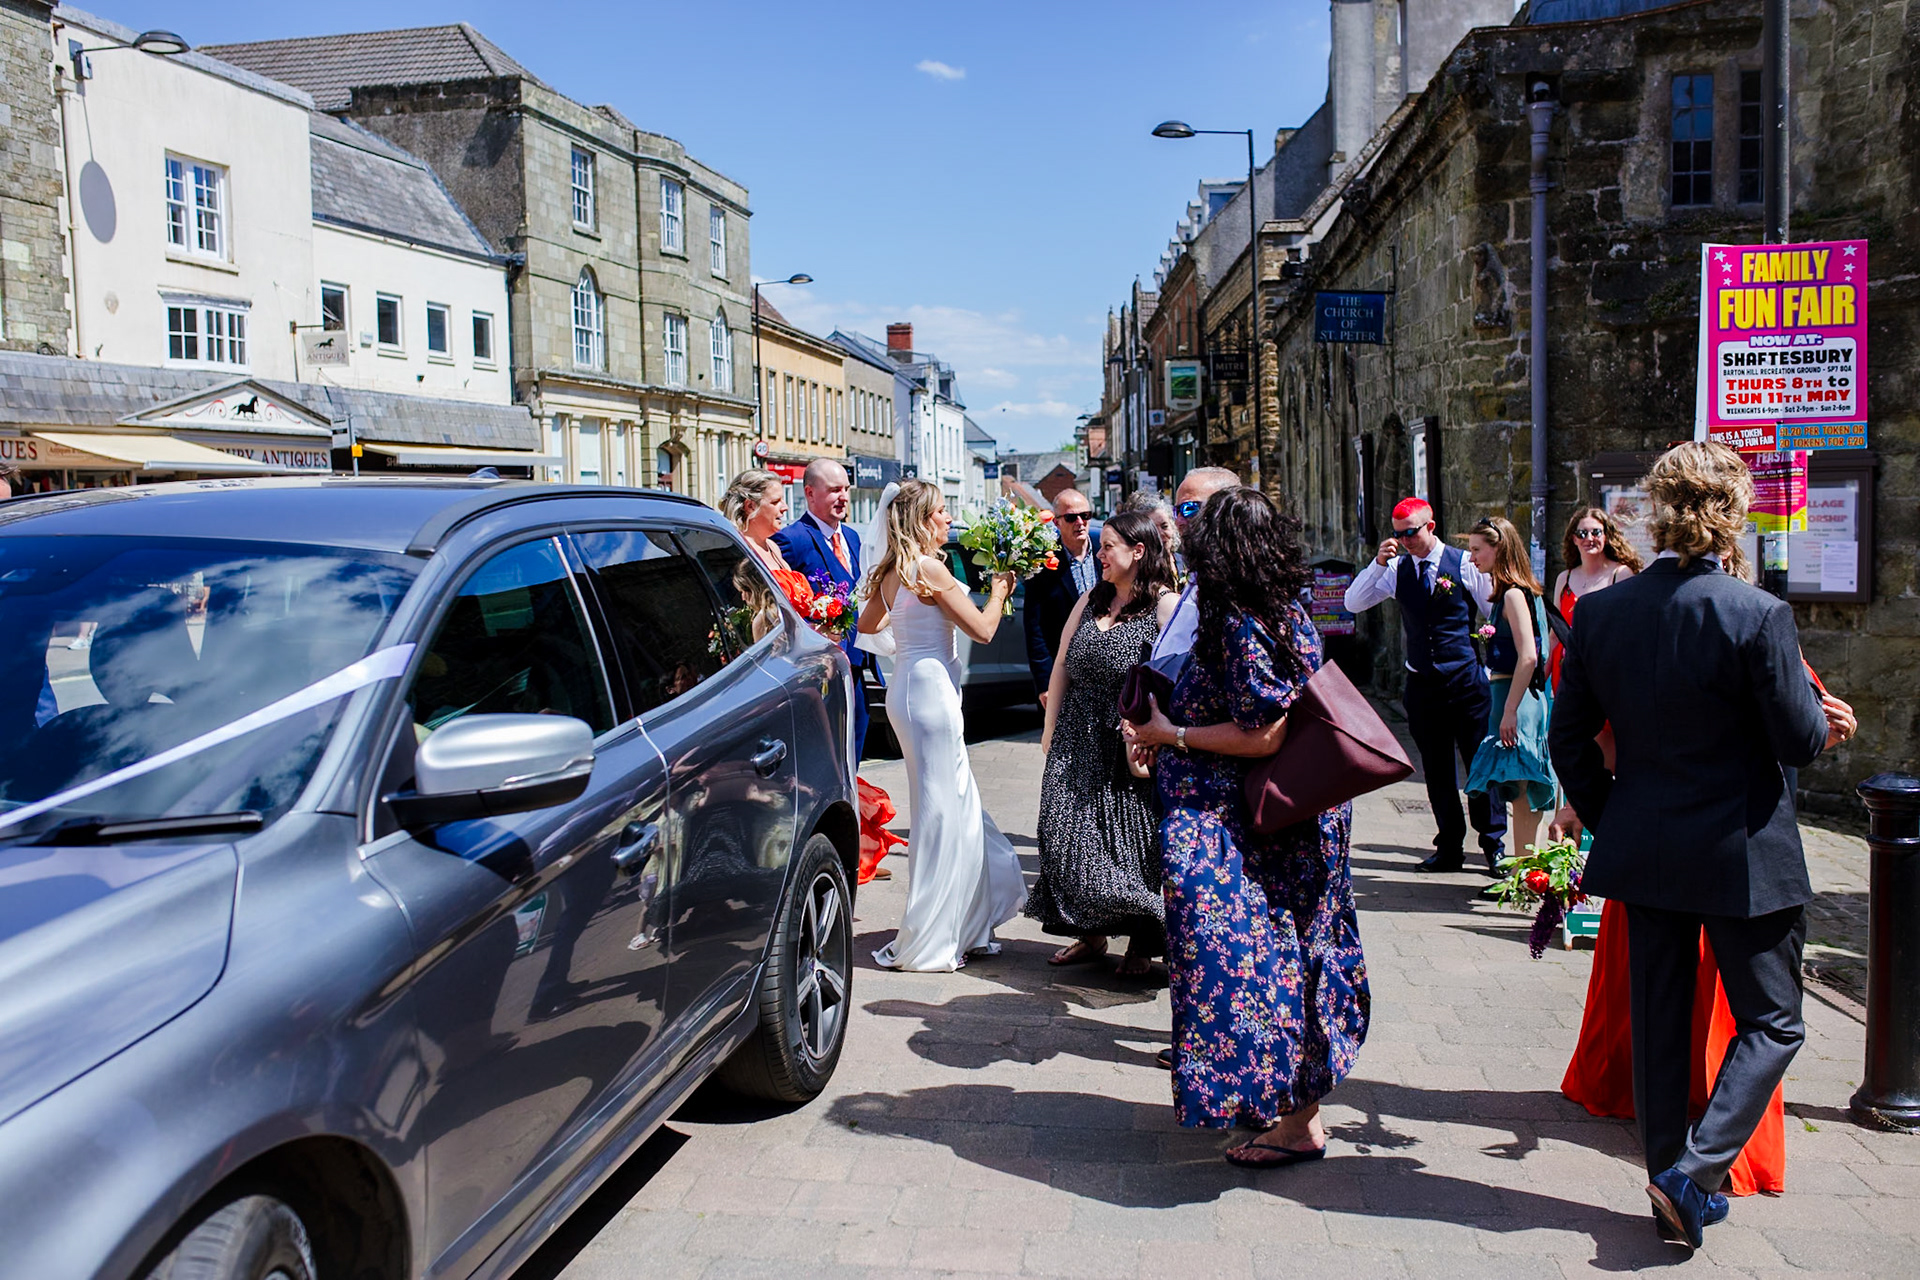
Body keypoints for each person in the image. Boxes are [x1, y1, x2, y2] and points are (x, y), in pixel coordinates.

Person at [1549, 440, 1844, 1249]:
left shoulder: (1604, 612)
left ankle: (1666, 1183)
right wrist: (1830, 725)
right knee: (1775, 1022)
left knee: (1660, 1019)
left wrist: (1616, 818)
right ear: (1731, 513)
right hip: (1743, 849)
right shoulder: (1757, 612)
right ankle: (1693, 1172)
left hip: (1646, 843)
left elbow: (1569, 745)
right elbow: (1795, 737)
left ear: (1656, 509)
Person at [1122, 487, 1368, 1167]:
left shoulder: (1238, 619)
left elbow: (1262, 732)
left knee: (1247, 963)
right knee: (1284, 958)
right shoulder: (1285, 608)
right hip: (1289, 821)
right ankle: (1278, 1103)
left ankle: (1295, 1122)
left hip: (1249, 829)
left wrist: (1171, 733)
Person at [857, 479, 1026, 971]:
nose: (949, 520)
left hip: (906, 687)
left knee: (942, 801)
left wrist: (906, 638)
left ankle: (957, 920)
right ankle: (935, 931)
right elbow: (985, 629)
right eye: (941, 513)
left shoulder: (894, 570)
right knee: (940, 808)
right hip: (931, 693)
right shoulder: (929, 567)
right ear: (921, 520)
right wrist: (998, 591)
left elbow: (867, 626)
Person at [1029, 510, 1181, 976]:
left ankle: (1143, 940)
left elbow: (1177, 678)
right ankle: (1092, 935)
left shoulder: (1164, 605)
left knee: (1131, 840)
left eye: (1108, 546)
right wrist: (1049, 728)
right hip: (1075, 734)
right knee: (1061, 833)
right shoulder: (1090, 599)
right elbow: (1060, 666)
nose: (1099, 554)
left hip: (1128, 741)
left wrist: (1158, 733)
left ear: (1138, 551)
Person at [1344, 497, 1506, 873]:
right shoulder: (1395, 568)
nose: (1405, 541)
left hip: (1466, 681)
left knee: (1479, 765)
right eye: (1399, 535)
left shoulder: (1464, 563)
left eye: (1411, 533)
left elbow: (1492, 609)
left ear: (1430, 527)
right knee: (1435, 769)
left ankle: (1493, 843)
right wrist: (1377, 562)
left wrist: (1488, 661)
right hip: (1422, 683)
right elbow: (1353, 603)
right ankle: (1449, 844)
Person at [1462, 516, 1556, 859]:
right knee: (1519, 789)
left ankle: (1526, 873)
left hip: (1515, 699)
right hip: (1512, 696)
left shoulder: (1515, 595)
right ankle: (1528, 871)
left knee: (1522, 791)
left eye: (1477, 550)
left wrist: (1511, 710)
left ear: (1498, 548)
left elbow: (1529, 657)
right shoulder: (1516, 592)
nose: (1472, 558)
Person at [773, 459, 879, 759]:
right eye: (834, 490)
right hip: (821, 669)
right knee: (828, 753)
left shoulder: (852, 538)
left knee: (856, 737)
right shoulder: (791, 540)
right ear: (810, 493)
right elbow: (780, 602)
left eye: (845, 489)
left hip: (856, 664)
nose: (843, 497)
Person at [1149, 467, 1240, 664]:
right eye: (1177, 511)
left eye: (1189, 509)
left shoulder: (1239, 579)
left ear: (1224, 510)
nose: (1179, 521)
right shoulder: (1201, 574)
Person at [1547, 507, 1642, 692]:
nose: (1589, 539)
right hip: (1567, 673)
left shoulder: (1620, 575)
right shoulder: (1564, 579)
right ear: (1574, 539)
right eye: (1582, 533)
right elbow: (1554, 636)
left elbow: (1630, 631)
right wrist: (1543, 673)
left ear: (1606, 536)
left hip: (1606, 672)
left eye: (1596, 532)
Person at [1023, 487, 1100, 705]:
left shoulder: (1105, 555)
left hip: (1105, 668)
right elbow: (1035, 628)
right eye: (1071, 517)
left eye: (1085, 516)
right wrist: (1045, 682)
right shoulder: (1042, 564)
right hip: (1064, 672)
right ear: (1057, 523)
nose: (1080, 522)